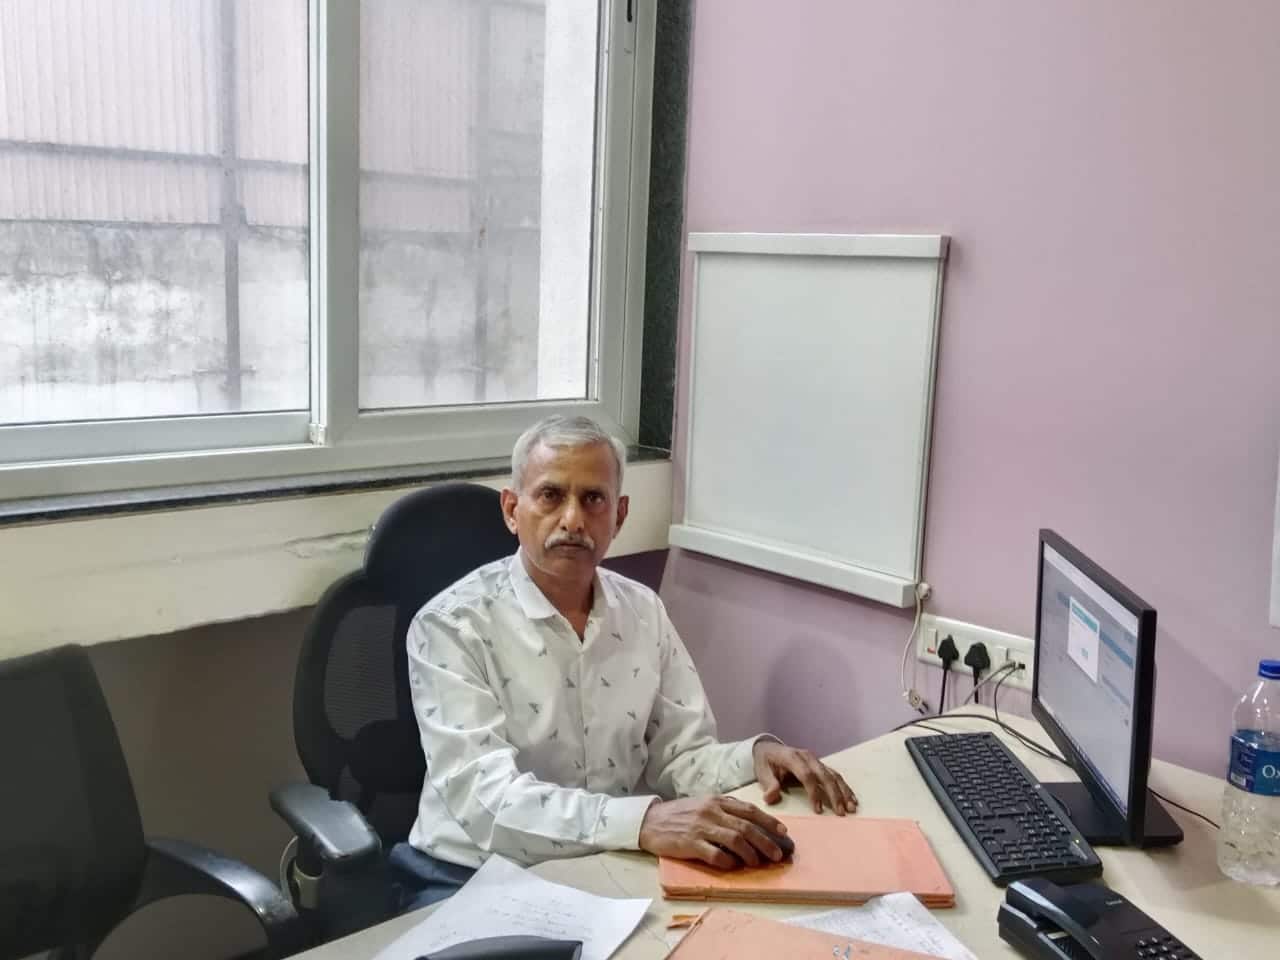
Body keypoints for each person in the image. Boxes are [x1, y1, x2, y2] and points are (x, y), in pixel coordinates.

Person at [393, 415, 857, 910]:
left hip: (611, 862)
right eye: (551, 495)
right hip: (472, 874)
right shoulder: (450, 625)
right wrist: (644, 822)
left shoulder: (643, 610)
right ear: (512, 510)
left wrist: (755, 756)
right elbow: (486, 803)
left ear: (619, 515)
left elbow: (679, 758)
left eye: (593, 499)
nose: (573, 520)